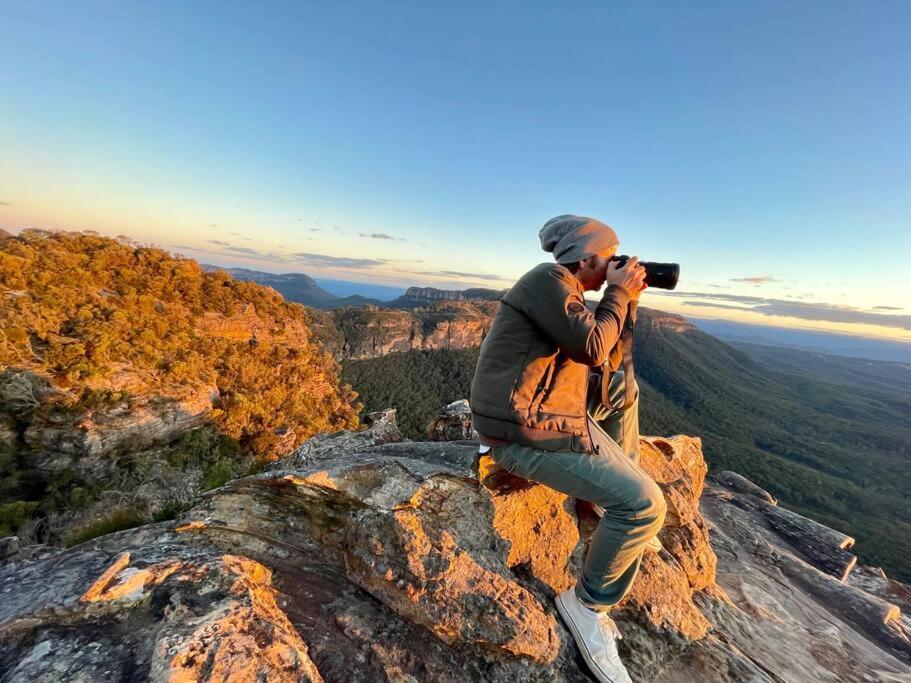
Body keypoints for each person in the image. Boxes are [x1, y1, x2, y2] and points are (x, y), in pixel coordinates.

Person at [468, 214, 666, 683]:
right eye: (611, 259)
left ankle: (604, 496)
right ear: (588, 257)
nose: (617, 267)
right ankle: (585, 606)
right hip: (522, 432)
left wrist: (628, 301)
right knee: (644, 506)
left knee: (622, 392)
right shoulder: (548, 279)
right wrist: (618, 293)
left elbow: (611, 360)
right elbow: (593, 348)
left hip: (553, 415)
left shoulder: (570, 291)